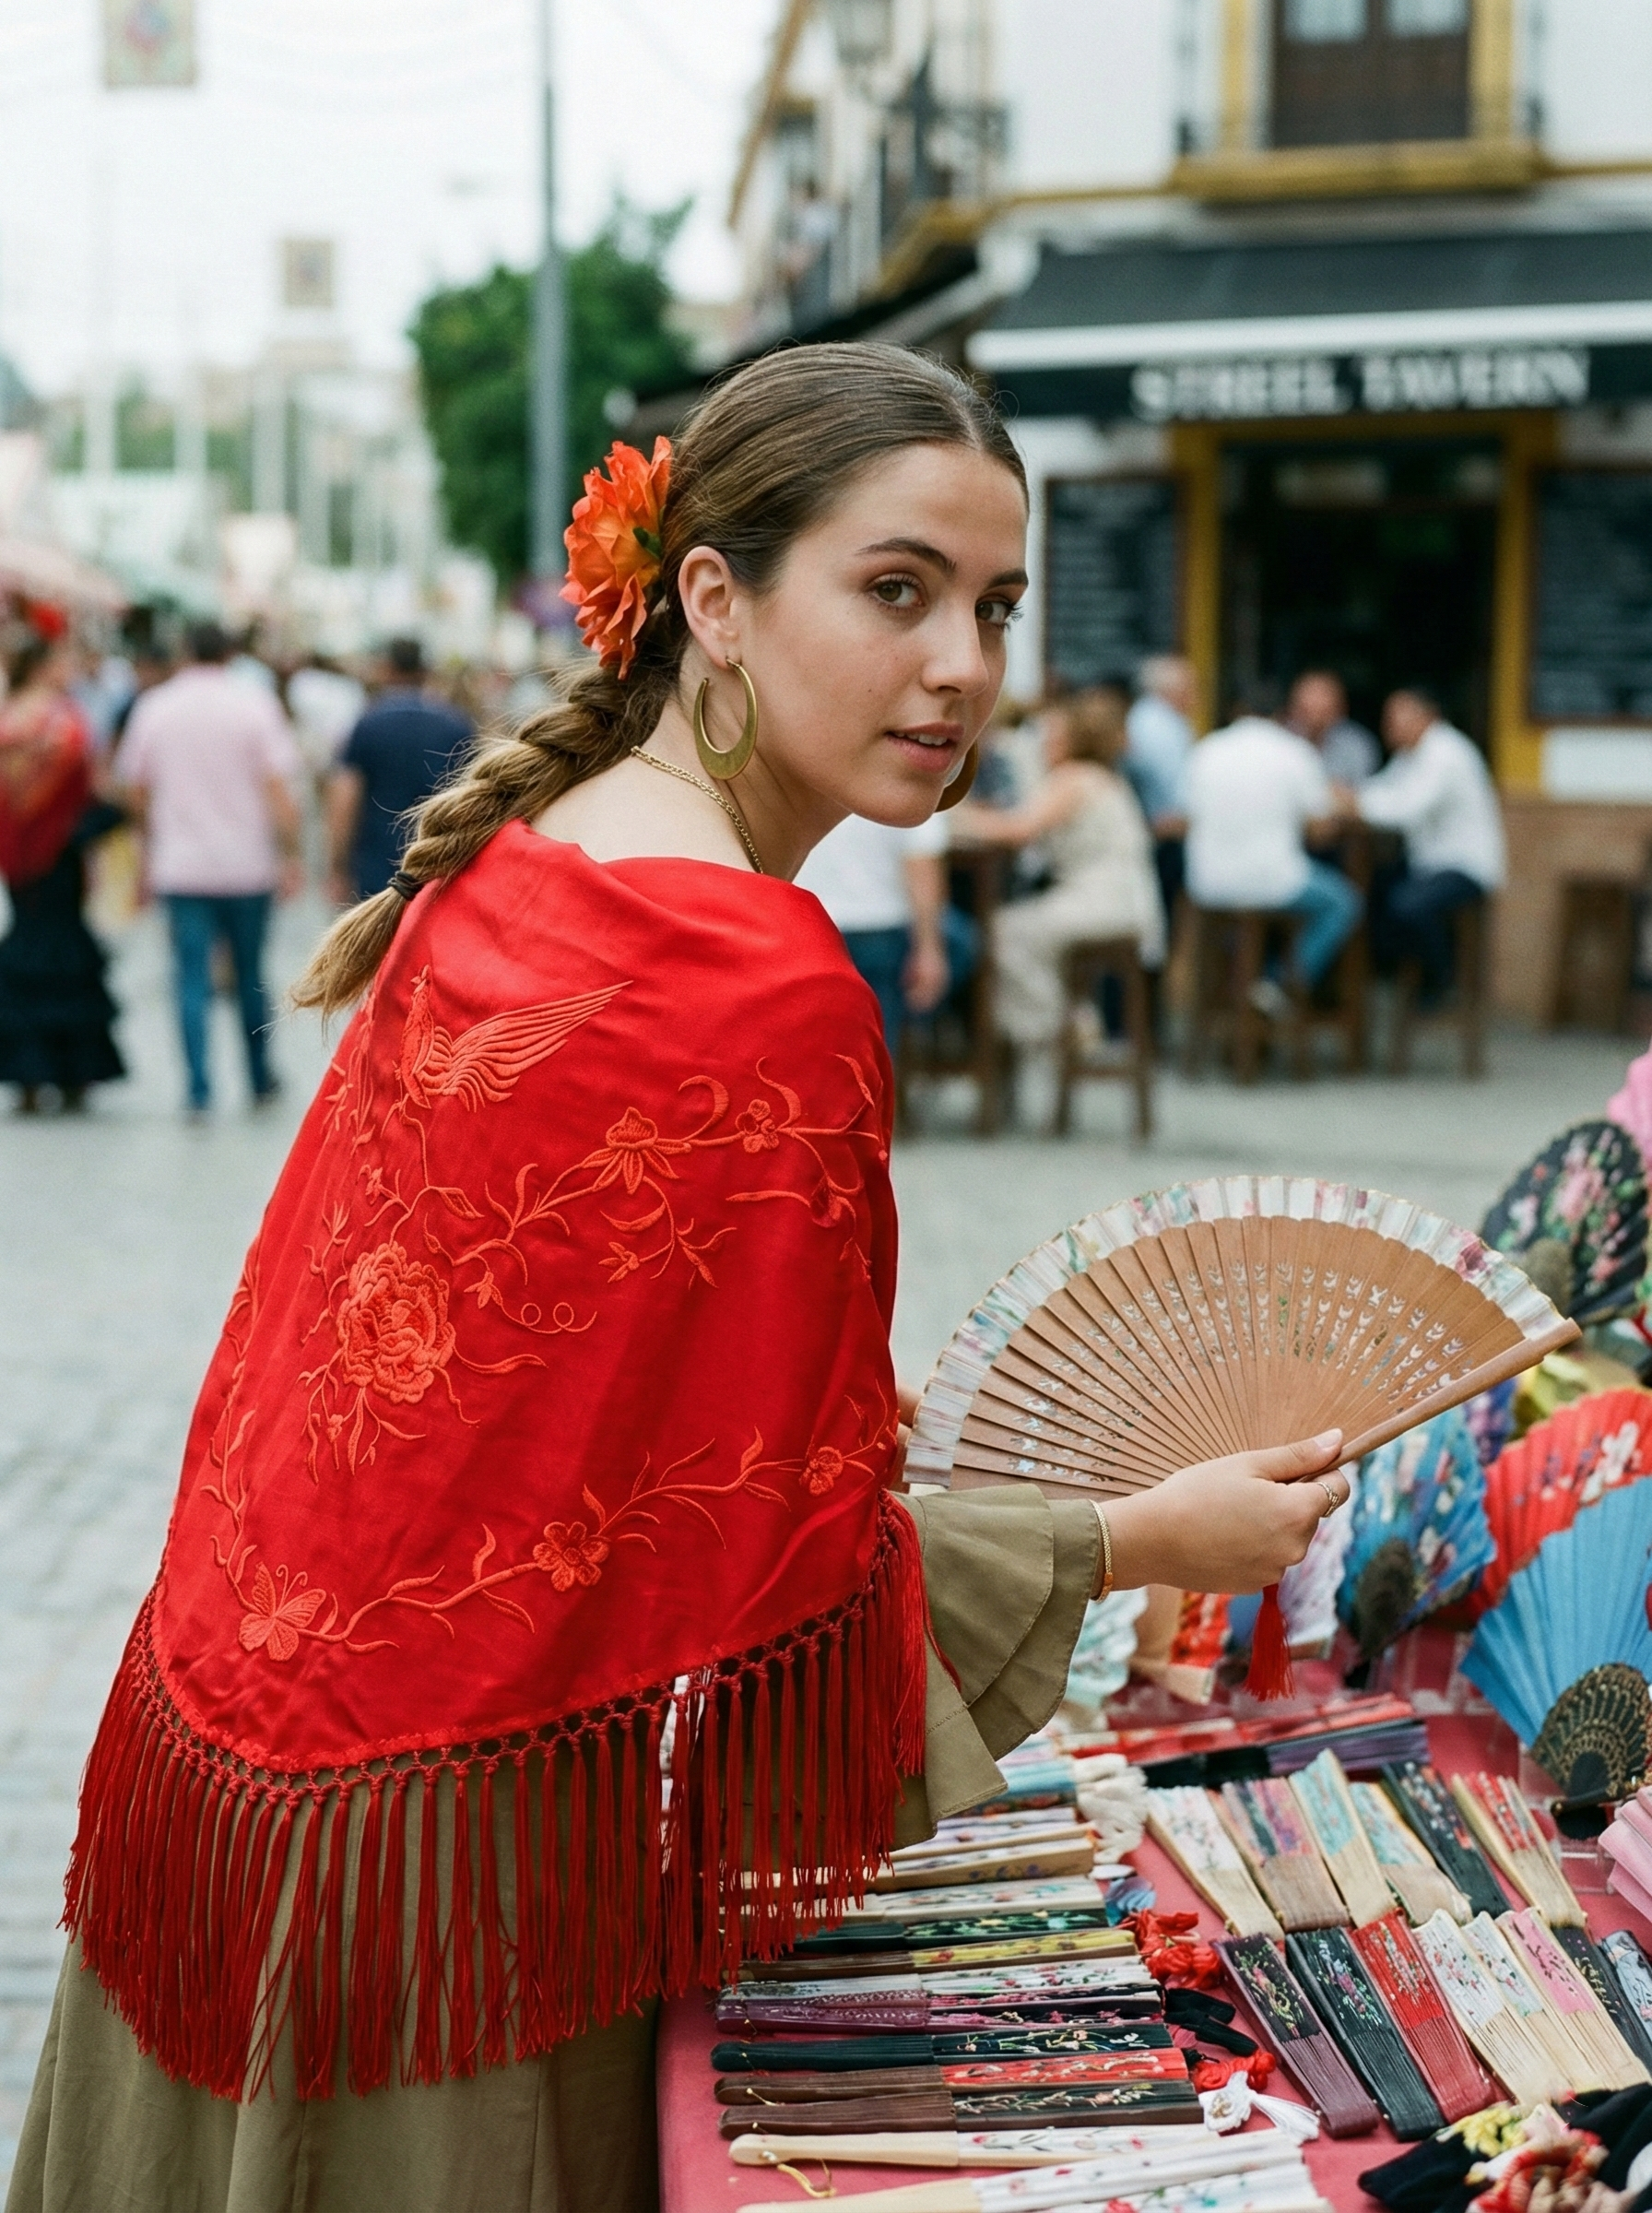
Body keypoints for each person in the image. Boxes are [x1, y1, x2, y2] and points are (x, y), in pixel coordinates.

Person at [8, 344, 1345, 2213]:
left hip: (246, 1809)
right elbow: (783, 1604)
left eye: (994, 605)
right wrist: (1137, 1537)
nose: (963, 662)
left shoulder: (520, 866)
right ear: (710, 596)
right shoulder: (762, 984)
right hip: (459, 1899)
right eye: (895, 591)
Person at [116, 619, 304, 1116]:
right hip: (247, 864)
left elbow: (134, 788)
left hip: (181, 866)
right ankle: (259, 1077)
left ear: (183, 651)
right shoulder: (255, 704)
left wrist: (154, 837)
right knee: (249, 973)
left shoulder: (155, 707)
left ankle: (199, 1086)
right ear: (228, 654)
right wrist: (291, 854)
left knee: (190, 977)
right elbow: (278, 790)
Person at [952, 686, 1165, 1059]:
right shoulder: (1103, 777)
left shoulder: (1072, 778)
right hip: (1128, 903)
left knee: (1001, 933)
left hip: (1102, 902)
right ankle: (1067, 1020)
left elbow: (1019, 829)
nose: (1043, 745)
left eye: (1051, 737)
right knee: (1014, 927)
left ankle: (1057, 1028)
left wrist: (952, 817)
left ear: (1072, 741)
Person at [0, 610, 125, 1112]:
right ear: (44, 664)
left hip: (19, 856)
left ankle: (28, 1075)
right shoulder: (61, 720)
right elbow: (93, 786)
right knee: (65, 945)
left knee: (27, 940)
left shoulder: (11, 717)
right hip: (62, 852)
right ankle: (71, 1071)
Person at [1184, 698, 1363, 1017]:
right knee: (1343, 902)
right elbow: (1319, 827)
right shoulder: (1292, 750)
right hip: (1273, 882)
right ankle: (1278, 984)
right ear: (1279, 716)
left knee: (1241, 927)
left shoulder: (1205, 750)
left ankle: (1237, 993)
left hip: (1208, 885)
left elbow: (1185, 814)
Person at [1352, 687, 1505, 1002]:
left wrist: (1353, 804)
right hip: (1427, 864)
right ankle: (1379, 981)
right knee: (1368, 894)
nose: (1389, 726)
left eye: (1397, 717)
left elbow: (1406, 809)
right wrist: (1354, 798)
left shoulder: (1445, 753)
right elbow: (1380, 790)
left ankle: (1441, 979)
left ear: (1426, 716)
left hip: (1463, 867)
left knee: (1406, 906)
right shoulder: (1411, 755)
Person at [794, 811, 971, 1055]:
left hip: (807, 924)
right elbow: (921, 868)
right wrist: (930, 949)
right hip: (878, 924)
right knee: (873, 1056)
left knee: (811, 1051)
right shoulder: (907, 782)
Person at [326, 637, 474, 904]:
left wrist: (337, 864)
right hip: (436, 866)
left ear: (387, 669)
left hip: (375, 863)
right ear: (424, 672)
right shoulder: (456, 726)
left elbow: (345, 799)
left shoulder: (367, 724)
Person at [1125, 652, 1197, 924]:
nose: (1195, 695)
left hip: (1152, 831)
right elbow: (1178, 795)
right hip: (1161, 836)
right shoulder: (1159, 725)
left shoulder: (1146, 717)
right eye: (1190, 687)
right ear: (1171, 690)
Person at [1286, 669, 1380, 786]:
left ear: (1341, 706)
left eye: (1323, 696)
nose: (1315, 703)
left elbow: (1363, 795)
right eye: (1309, 696)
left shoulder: (1358, 745)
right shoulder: (1278, 741)